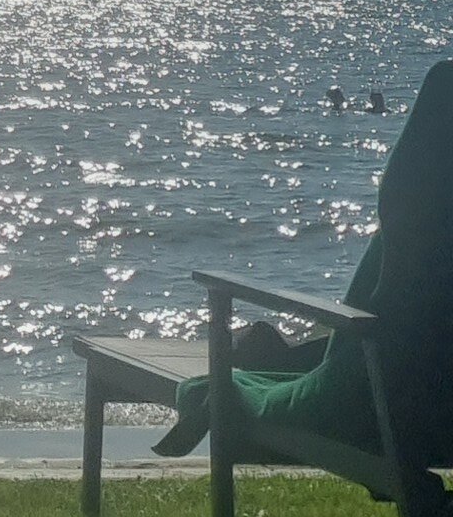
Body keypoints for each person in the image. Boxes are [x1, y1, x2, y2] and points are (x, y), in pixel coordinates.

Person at [158, 62, 453, 466]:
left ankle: (256, 361)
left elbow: (378, 333)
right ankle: (269, 353)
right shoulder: (426, 249)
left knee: (219, 385)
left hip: (382, 413)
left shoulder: (410, 240)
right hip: (437, 406)